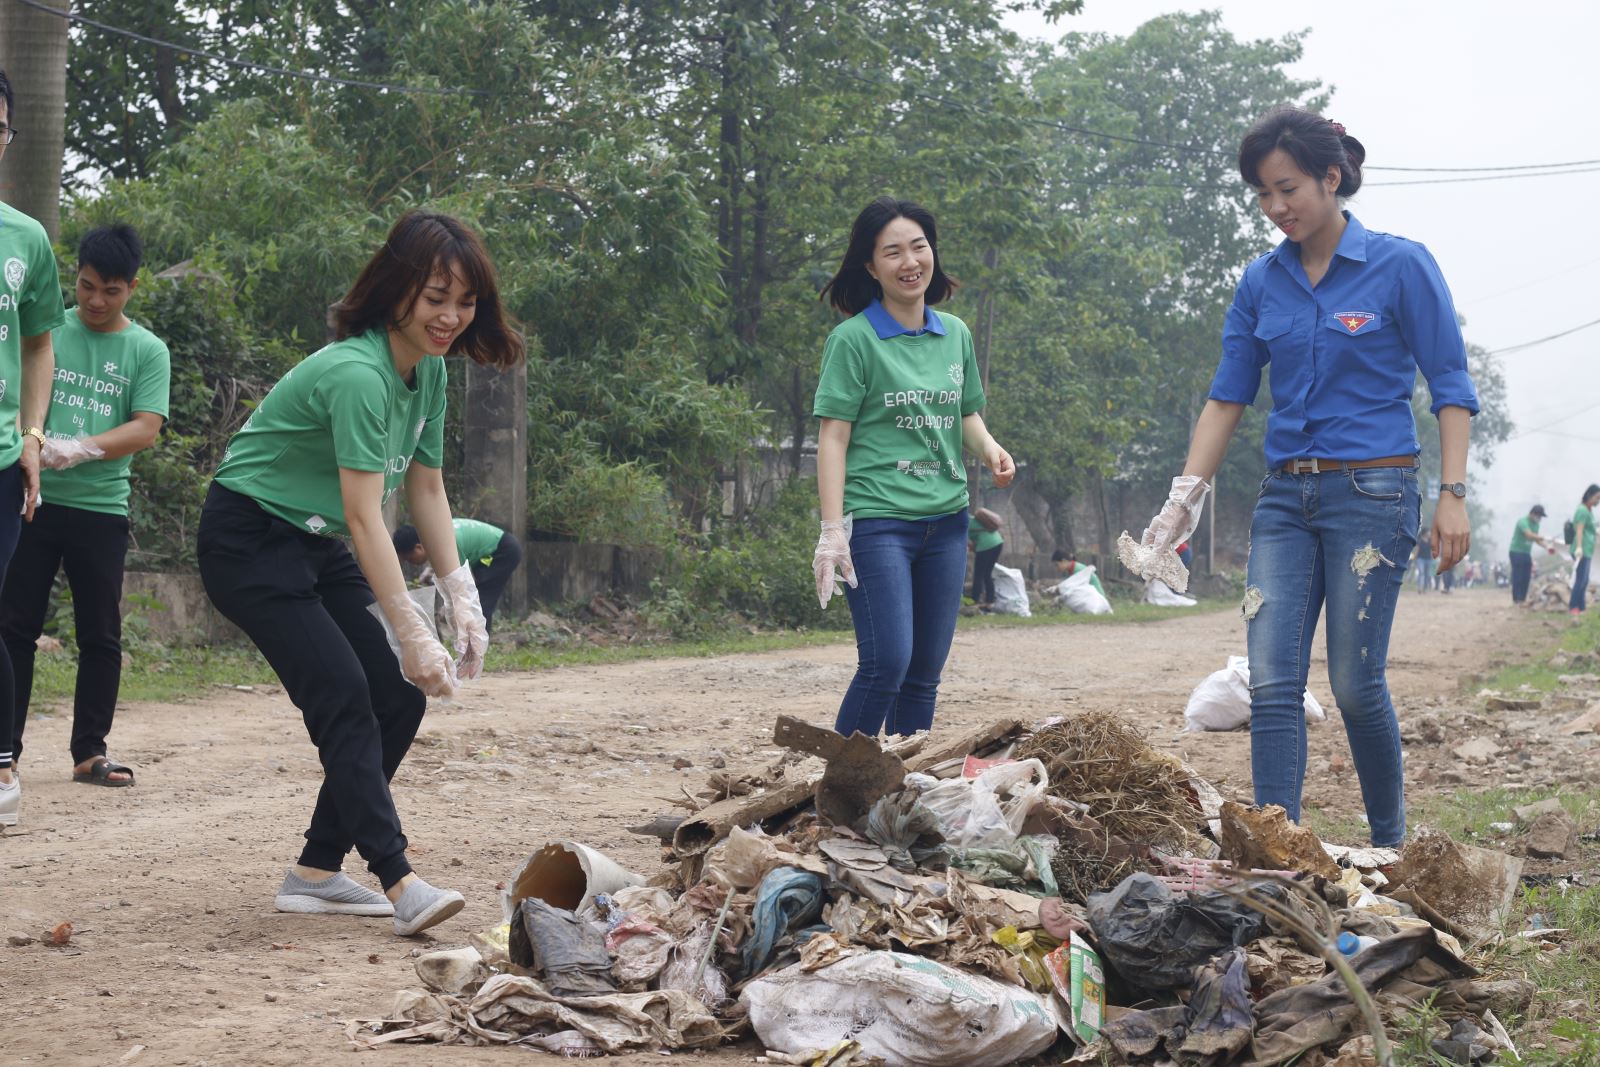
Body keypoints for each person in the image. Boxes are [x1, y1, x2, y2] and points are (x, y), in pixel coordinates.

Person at [1134, 108, 1477, 848]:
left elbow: (1449, 382)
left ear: (1331, 177)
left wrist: (1452, 495)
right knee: (1273, 681)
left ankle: (1390, 845)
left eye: (1286, 187)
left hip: (1375, 495)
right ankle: (1275, 848)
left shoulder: (1401, 264)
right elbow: (1228, 394)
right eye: (1262, 194)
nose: (1276, 207)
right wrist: (1181, 499)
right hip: (1285, 498)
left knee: (1355, 684)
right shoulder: (1261, 281)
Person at [197, 210, 524, 934]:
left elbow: (428, 490)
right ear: (398, 287)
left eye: (465, 301)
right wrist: (410, 626)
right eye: (436, 296)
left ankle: (315, 870)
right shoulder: (357, 373)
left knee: (396, 697)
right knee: (345, 689)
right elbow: (365, 515)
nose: (450, 317)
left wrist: (462, 597)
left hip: (311, 541)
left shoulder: (429, 370)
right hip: (247, 540)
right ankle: (400, 877)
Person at [811, 196, 1014, 738]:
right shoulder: (853, 340)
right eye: (892, 251)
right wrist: (834, 531)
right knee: (886, 664)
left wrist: (989, 447)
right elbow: (833, 437)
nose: (910, 262)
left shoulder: (956, 334)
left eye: (918, 247)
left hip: (946, 523)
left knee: (923, 674)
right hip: (877, 523)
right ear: (871, 266)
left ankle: (901, 793)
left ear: (933, 254)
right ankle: (838, 791)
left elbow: (964, 411)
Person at [1, 225, 170, 790]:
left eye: (111, 291)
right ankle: (7, 752)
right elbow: (26, 382)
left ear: (133, 288)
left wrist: (80, 449)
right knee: (13, 627)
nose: (95, 301)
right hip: (32, 501)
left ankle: (89, 753)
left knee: (100, 633)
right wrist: (34, 440)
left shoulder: (147, 349)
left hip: (101, 509)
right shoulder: (46, 330)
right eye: (86, 286)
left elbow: (146, 427)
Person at [0, 67, 66, 828]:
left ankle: (2, 762)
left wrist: (33, 433)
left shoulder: (26, 238)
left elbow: (39, 346)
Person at [393, 517, 524, 630]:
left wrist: (449, 607)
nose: (410, 563)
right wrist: (433, 572)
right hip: (492, 550)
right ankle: (474, 645)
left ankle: (478, 649)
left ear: (419, 547)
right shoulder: (434, 536)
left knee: (479, 602)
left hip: (503, 551)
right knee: (472, 600)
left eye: (409, 558)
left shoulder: (446, 544)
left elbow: (465, 582)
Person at [1508, 507, 1554, 604]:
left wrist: (1547, 546)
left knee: (1526, 576)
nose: (1540, 519)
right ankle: (1516, 599)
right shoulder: (1523, 522)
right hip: (1516, 551)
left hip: (1526, 552)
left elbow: (1537, 540)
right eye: (1539, 516)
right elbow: (1529, 535)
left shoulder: (1536, 525)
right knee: (1518, 575)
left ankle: (1522, 598)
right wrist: (1544, 537)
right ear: (1533, 514)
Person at [1571, 484, 1599, 616]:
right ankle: (1574, 607)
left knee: (1585, 580)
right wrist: (1579, 547)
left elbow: (1592, 529)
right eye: (1597, 497)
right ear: (1589, 495)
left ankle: (1581, 607)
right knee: (1580, 580)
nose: (1598, 501)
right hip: (1581, 550)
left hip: (1587, 550)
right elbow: (1579, 529)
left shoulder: (1589, 511)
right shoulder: (1582, 510)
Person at [966, 508, 1003, 607]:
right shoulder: (973, 519)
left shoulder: (964, 522)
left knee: (978, 574)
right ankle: (989, 601)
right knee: (987, 573)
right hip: (998, 542)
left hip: (986, 546)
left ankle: (974, 601)